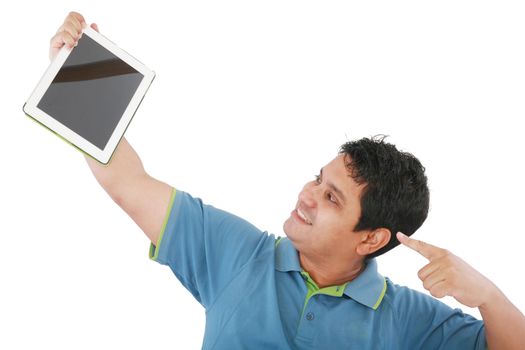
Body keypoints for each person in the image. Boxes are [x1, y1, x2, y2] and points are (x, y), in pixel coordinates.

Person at [50, 12, 525, 350]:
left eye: (332, 197)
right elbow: (126, 183)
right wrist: (74, 75)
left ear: (373, 237)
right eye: (318, 180)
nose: (308, 195)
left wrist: (490, 297)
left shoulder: (408, 320)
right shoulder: (235, 252)